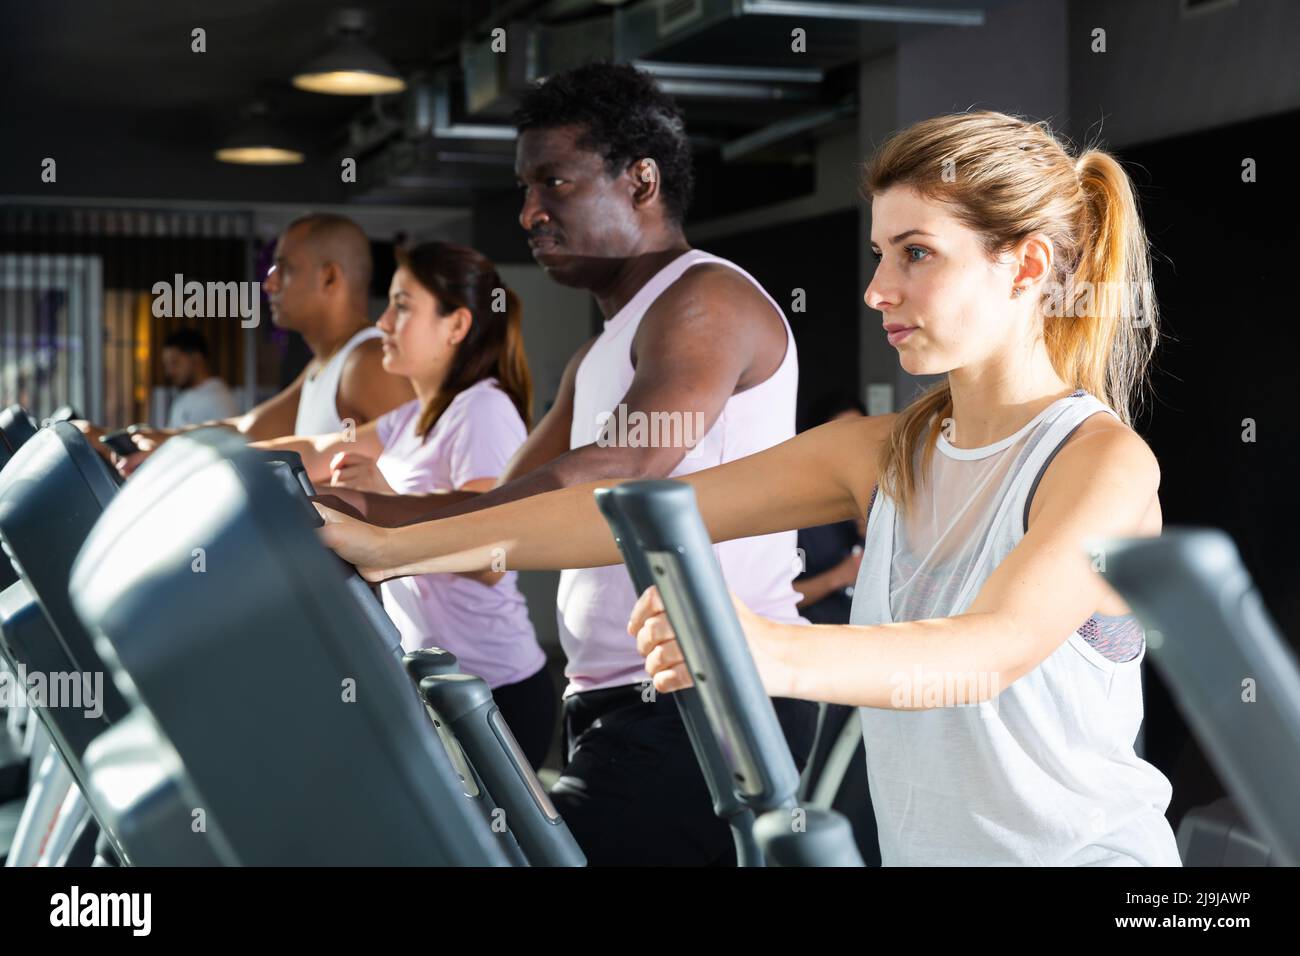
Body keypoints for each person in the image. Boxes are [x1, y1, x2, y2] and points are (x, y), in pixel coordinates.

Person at [317, 110, 1182, 867]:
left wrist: (765, 650)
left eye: (918, 253)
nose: (879, 288)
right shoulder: (882, 452)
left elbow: (985, 653)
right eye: (881, 252)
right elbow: (621, 515)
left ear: (1027, 267)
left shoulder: (1101, 461)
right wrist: (393, 549)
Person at [316, 62, 817, 867]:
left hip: (705, 701)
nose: (529, 212)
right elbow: (504, 510)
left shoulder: (707, 300)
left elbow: (615, 469)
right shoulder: (597, 355)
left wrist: (383, 524)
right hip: (608, 699)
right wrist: (368, 507)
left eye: (554, 182)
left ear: (641, 182)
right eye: (524, 188)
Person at [254, 241, 554, 769]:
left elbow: (489, 554)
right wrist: (195, 456)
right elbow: (318, 450)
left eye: (402, 306)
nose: (383, 323)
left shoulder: (481, 410)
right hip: (436, 684)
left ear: (455, 325)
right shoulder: (413, 416)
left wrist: (383, 501)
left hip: (493, 692)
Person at [76, 213, 412, 468]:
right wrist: (146, 439)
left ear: (329, 277)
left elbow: (411, 483)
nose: (270, 284)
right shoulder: (324, 365)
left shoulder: (368, 361)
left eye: (285, 269)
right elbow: (247, 430)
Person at [792, 393, 868, 625]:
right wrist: (838, 577)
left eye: (860, 433)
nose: (853, 445)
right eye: (842, 435)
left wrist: (872, 535)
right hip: (816, 637)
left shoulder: (875, 492)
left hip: (874, 638)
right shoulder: (794, 511)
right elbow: (769, 600)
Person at [159, 329, 240, 427]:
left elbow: (227, 441)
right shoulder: (182, 398)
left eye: (174, 362)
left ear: (196, 358)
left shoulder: (219, 400)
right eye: (167, 365)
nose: (169, 372)